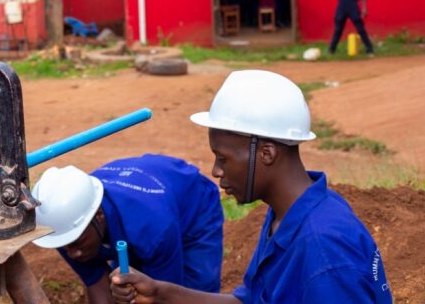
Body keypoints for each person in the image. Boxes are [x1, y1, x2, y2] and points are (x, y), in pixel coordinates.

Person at [110, 69, 392, 303]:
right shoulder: (287, 216)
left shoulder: (323, 252)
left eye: (223, 158)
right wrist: (161, 293)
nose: (216, 171)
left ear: (266, 154)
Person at [31, 155, 223, 303]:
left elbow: (164, 294)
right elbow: (99, 285)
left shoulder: (152, 227)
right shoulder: (66, 227)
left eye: (75, 244)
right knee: (124, 289)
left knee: (195, 292)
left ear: (98, 216)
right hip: (136, 214)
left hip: (193, 206)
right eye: (65, 246)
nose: (73, 254)